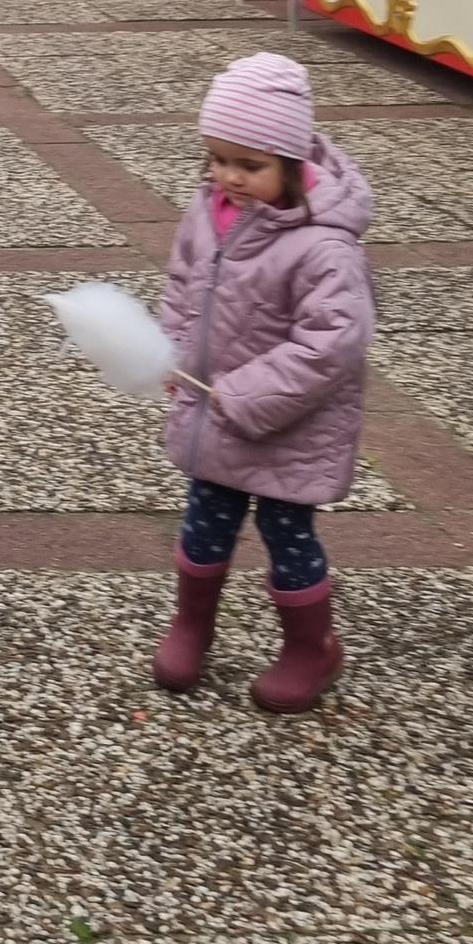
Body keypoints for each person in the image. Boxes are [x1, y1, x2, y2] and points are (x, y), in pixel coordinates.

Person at [150, 53, 374, 713]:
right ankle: (192, 624)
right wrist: (169, 348)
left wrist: (246, 393)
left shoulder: (324, 245)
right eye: (218, 159)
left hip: (287, 424)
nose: (229, 178)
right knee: (204, 523)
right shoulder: (208, 210)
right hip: (213, 412)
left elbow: (334, 340)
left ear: (292, 162)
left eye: (249, 166)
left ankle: (311, 647)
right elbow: (183, 284)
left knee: (287, 533)